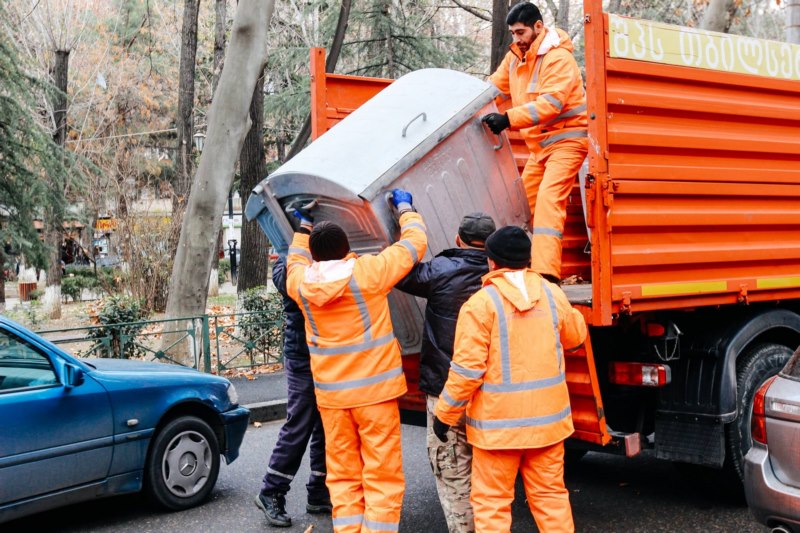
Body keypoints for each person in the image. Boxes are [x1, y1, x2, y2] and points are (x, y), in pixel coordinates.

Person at [285, 189, 427, 533]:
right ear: (348, 247)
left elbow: (294, 261)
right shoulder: (368, 273)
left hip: (332, 399)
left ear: (315, 255)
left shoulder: (300, 284)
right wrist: (405, 209)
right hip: (375, 395)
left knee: (343, 477)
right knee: (382, 476)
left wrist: (303, 228)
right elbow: (414, 245)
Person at [433, 226, 587, 533]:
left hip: (497, 430)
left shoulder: (480, 304)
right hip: (547, 425)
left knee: (492, 504)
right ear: (528, 260)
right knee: (550, 498)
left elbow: (467, 372)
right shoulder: (552, 294)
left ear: (491, 262)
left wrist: (444, 415)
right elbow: (575, 337)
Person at [394, 212, 497, 533]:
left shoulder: (440, 270)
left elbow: (399, 271)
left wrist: (403, 218)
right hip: (495, 393)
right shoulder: (503, 276)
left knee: (453, 469)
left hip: (446, 389)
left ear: (457, 239)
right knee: (493, 474)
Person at [482, 2, 588, 284]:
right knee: (520, 205)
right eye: (513, 33)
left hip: (568, 140)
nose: (516, 38)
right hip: (540, 148)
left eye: (521, 32)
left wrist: (507, 119)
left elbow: (551, 104)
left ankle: (546, 276)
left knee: (548, 201)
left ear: (538, 27)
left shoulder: (558, 58)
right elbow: (492, 89)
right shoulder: (515, 58)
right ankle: (517, 268)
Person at [254, 255, 331, 528]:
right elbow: (284, 280)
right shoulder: (291, 259)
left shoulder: (315, 254)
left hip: (325, 355)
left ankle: (319, 490)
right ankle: (271, 491)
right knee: (299, 424)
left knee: (325, 424)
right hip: (302, 356)